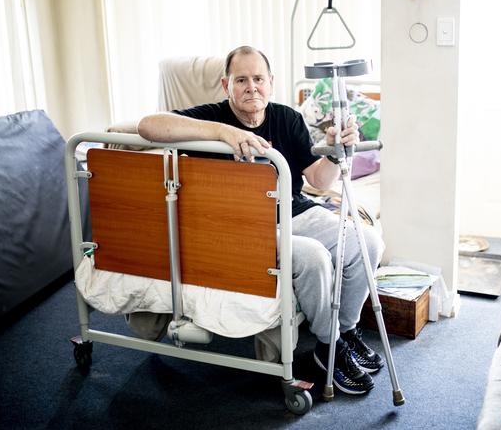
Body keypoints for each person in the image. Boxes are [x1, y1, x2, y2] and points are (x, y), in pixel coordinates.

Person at [133, 45, 385, 395]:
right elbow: (149, 126)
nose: (251, 87)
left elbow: (320, 182)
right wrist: (224, 133)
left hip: (296, 210)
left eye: (258, 79)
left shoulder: (288, 118)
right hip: (247, 226)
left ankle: (343, 334)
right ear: (226, 85)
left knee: (368, 240)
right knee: (312, 256)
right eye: (241, 80)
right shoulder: (211, 118)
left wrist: (335, 149)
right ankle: (331, 344)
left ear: (271, 82)